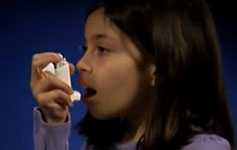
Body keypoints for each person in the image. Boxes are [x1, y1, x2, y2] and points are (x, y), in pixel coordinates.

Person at [30, 0, 235, 149]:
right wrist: (53, 122)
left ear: (158, 66)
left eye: (102, 49)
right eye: (85, 48)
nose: (81, 64)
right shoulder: (99, 145)